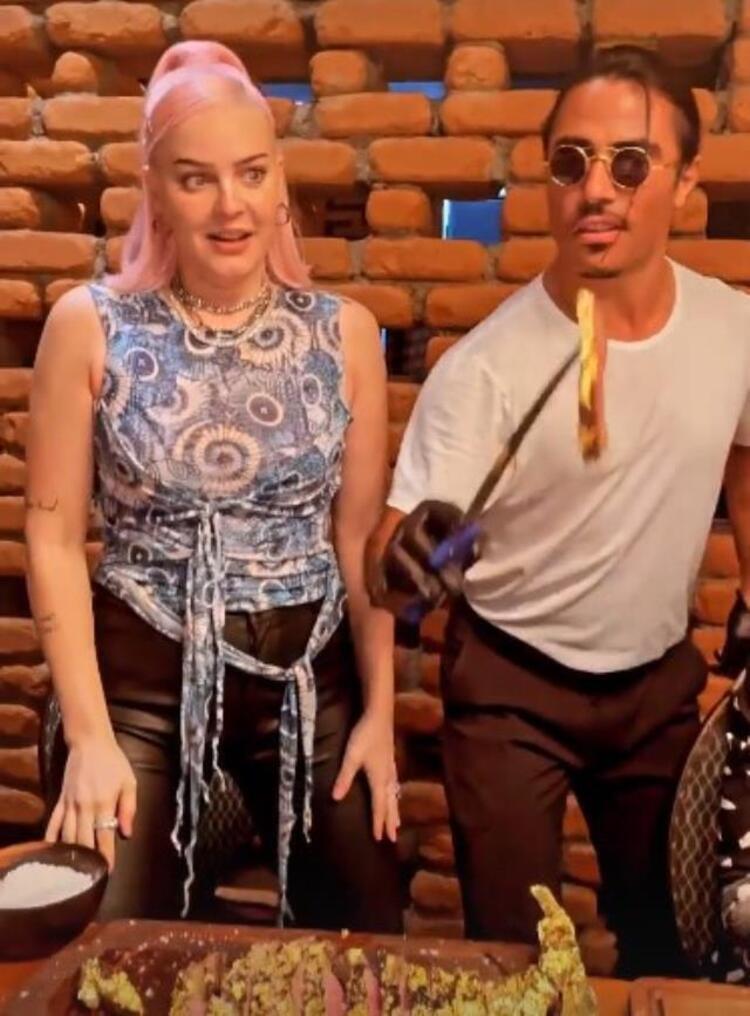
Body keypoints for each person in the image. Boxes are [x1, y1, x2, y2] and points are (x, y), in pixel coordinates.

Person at [367, 45, 750, 977]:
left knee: (674, 947)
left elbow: (743, 461)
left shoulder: (732, 330)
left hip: (655, 686)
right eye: (572, 163)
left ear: (685, 181)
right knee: (514, 961)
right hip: (511, 690)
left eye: (631, 163)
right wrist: (406, 563)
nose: (597, 190)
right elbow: (387, 563)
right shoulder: (485, 368)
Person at [25, 39, 402, 931]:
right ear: (154, 190)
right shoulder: (90, 325)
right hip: (139, 688)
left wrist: (382, 716)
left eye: (252, 173)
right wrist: (88, 737)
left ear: (280, 186)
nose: (231, 206)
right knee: (108, 941)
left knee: (369, 942)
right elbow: (52, 539)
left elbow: (359, 541)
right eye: (196, 179)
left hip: (310, 679)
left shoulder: (346, 333)